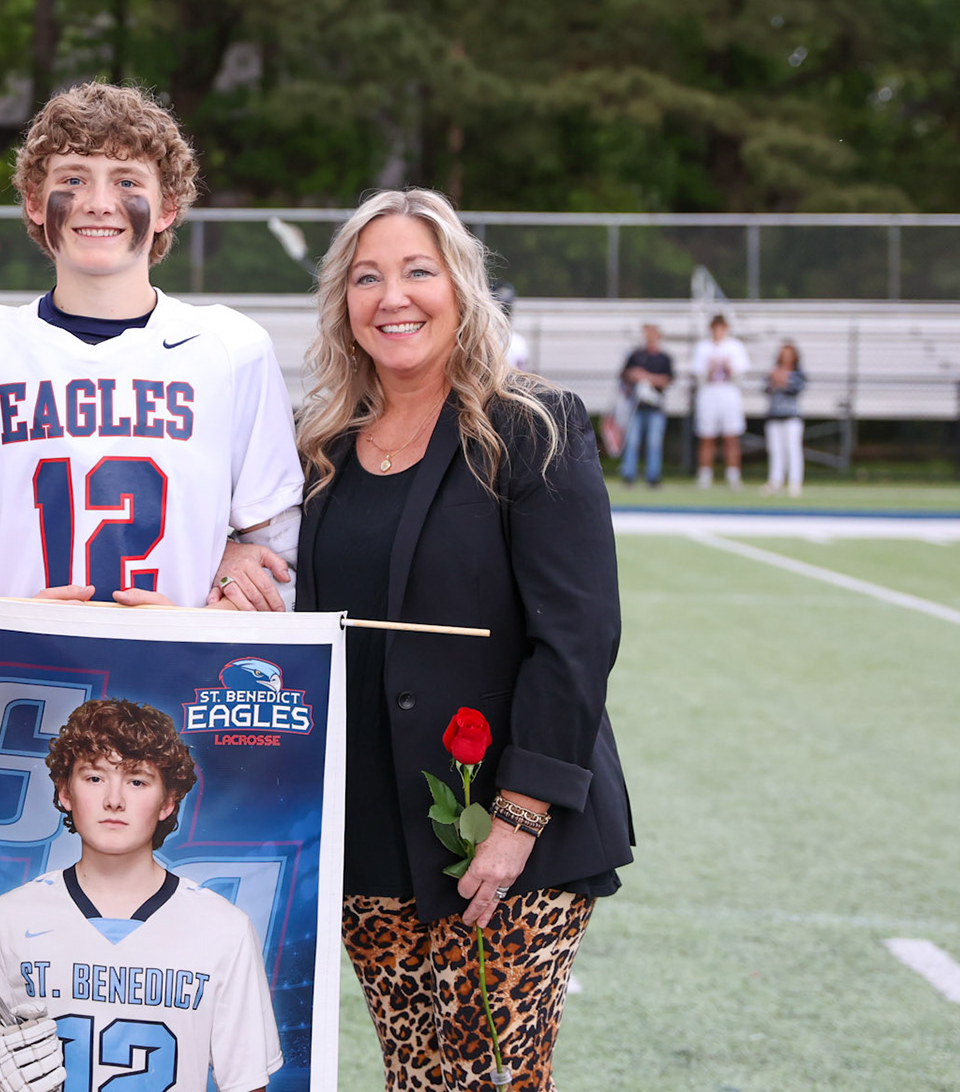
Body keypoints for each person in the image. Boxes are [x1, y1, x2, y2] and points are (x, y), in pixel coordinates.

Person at [290, 188, 633, 1091]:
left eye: (417, 271)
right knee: (414, 1075)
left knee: (488, 1080)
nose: (392, 296)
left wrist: (518, 819)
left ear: (462, 286)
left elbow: (579, 636)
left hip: (504, 834)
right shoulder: (321, 446)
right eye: (367, 277)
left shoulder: (532, 426)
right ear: (343, 303)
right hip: (370, 836)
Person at [0, 82, 302, 611]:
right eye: (73, 179)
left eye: (127, 181)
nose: (99, 204)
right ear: (35, 201)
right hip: (21, 673)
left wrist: (202, 624)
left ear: (167, 207)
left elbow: (282, 561)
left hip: (175, 681)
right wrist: (4, 620)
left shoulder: (233, 350)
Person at [0, 697, 282, 1092]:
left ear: (167, 802)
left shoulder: (224, 929)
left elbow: (246, 1083)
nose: (114, 800)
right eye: (94, 778)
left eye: (137, 780)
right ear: (65, 792)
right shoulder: (9, 916)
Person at [690, 313, 750, 489]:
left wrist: (727, 366)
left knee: (731, 436)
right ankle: (705, 474)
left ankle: (733, 474)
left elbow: (740, 372)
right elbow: (698, 373)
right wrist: (711, 368)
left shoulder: (734, 346)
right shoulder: (703, 347)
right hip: (709, 394)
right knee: (706, 436)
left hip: (729, 394)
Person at [618, 324, 673, 487]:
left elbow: (667, 380)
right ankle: (629, 474)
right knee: (632, 441)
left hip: (655, 407)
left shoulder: (664, 358)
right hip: (636, 406)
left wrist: (646, 377)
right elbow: (624, 375)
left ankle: (653, 476)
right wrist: (634, 375)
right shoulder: (636, 355)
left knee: (654, 443)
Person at [763, 341, 806, 496]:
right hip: (774, 415)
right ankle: (775, 480)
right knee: (775, 450)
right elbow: (766, 389)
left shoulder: (798, 373)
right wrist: (775, 380)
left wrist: (784, 380)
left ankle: (795, 481)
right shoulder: (773, 371)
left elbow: (796, 389)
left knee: (793, 449)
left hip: (791, 416)